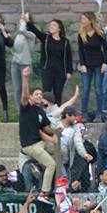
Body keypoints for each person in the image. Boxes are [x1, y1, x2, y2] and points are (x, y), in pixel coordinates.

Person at [18, 67, 57, 199]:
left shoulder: (40, 111)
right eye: (36, 94)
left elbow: (47, 129)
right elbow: (23, 95)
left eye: (41, 95)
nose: (39, 96)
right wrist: (25, 78)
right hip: (30, 145)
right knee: (51, 164)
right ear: (31, 97)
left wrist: (58, 132)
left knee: (60, 151)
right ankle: (44, 191)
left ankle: (59, 180)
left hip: (40, 143)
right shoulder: (26, 107)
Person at [26, 14, 73, 105]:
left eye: (54, 25)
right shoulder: (46, 38)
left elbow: (68, 57)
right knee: (46, 94)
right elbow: (35, 31)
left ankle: (56, 115)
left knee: (58, 95)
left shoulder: (65, 42)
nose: (51, 27)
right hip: (47, 70)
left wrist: (69, 71)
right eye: (50, 25)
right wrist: (28, 21)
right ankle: (44, 114)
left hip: (60, 72)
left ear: (59, 28)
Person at [76, 12, 107, 123]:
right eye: (82, 19)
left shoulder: (99, 33)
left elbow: (105, 49)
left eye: (84, 19)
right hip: (87, 65)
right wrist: (82, 64)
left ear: (90, 20)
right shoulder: (81, 34)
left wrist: (105, 62)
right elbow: (80, 50)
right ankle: (84, 113)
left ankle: (99, 113)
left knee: (99, 89)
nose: (82, 21)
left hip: (98, 64)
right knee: (85, 90)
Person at [10, 14, 37, 117]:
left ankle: (28, 110)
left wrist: (24, 22)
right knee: (17, 89)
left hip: (25, 65)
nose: (22, 20)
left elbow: (23, 31)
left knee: (26, 89)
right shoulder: (18, 35)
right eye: (21, 18)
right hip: (15, 64)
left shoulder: (30, 35)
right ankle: (19, 111)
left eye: (25, 19)